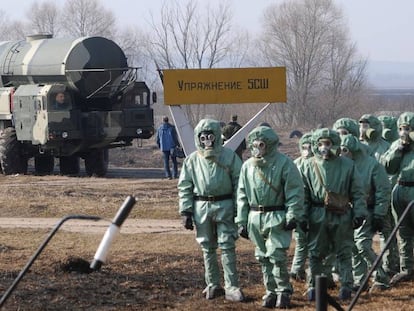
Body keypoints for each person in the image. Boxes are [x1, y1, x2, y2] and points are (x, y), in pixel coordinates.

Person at [236, 125, 305, 308]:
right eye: (255, 144)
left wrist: (292, 215)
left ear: (270, 144)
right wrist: (241, 220)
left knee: (276, 255)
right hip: (255, 216)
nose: (258, 147)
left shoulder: (284, 163)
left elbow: (294, 191)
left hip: (277, 215)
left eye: (262, 144)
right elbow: (242, 194)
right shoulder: (247, 167)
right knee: (262, 257)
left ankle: (283, 290)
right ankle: (271, 291)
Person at [178, 118, 245, 302]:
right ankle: (213, 284)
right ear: (197, 138)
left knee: (228, 246)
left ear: (217, 136)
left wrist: (240, 210)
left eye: (210, 136)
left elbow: (239, 183)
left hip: (225, 205)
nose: (207, 139)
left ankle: (232, 286)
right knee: (207, 248)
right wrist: (186, 211)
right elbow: (185, 185)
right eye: (202, 136)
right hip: (201, 206)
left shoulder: (229, 157)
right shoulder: (192, 160)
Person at [299, 128, 367, 301]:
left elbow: (358, 192)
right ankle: (314, 286)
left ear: (335, 144)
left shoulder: (348, 165)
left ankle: (346, 286)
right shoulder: (307, 165)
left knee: (344, 251)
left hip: (342, 212)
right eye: (320, 143)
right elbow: (303, 194)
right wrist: (302, 217)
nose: (324, 147)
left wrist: (359, 213)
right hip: (316, 213)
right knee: (315, 253)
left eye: (328, 143)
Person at [340, 134, 391, 292]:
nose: (342, 153)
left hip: (368, 210)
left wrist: (379, 214)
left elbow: (383, 190)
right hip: (348, 210)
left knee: (362, 245)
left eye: (345, 150)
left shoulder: (372, 165)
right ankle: (360, 280)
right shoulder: (342, 165)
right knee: (353, 247)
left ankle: (381, 276)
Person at [359, 114, 400, 278]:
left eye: (367, 126)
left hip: (383, 197)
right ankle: (366, 269)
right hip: (364, 198)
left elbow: (390, 171)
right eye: (361, 125)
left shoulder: (385, 147)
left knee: (387, 234)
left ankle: (390, 266)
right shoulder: (358, 147)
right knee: (361, 239)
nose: (363, 129)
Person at [381, 112, 414, 285]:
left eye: (408, 128)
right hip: (400, 189)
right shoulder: (396, 145)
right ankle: (406, 268)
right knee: (403, 231)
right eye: (401, 128)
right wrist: (399, 149)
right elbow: (388, 167)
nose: (404, 132)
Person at [290, 132, 313, 281]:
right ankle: (297, 269)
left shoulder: (314, 163)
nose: (307, 150)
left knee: (307, 242)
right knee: (302, 240)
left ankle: (298, 269)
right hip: (301, 207)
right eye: (304, 147)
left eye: (309, 146)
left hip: (312, 207)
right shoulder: (296, 164)